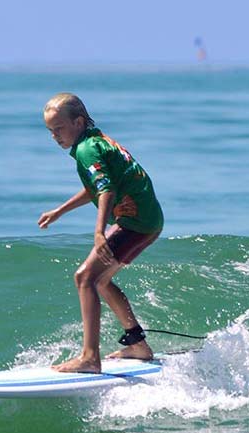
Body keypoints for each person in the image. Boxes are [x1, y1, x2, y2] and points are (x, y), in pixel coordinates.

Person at [38, 93, 164, 373]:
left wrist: (99, 232)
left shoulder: (87, 150)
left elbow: (105, 189)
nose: (54, 136)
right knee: (101, 281)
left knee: (85, 277)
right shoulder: (95, 140)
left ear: (78, 121)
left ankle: (89, 358)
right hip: (147, 219)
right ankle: (138, 346)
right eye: (50, 131)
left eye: (59, 128)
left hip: (135, 222)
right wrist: (60, 211)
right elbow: (97, 186)